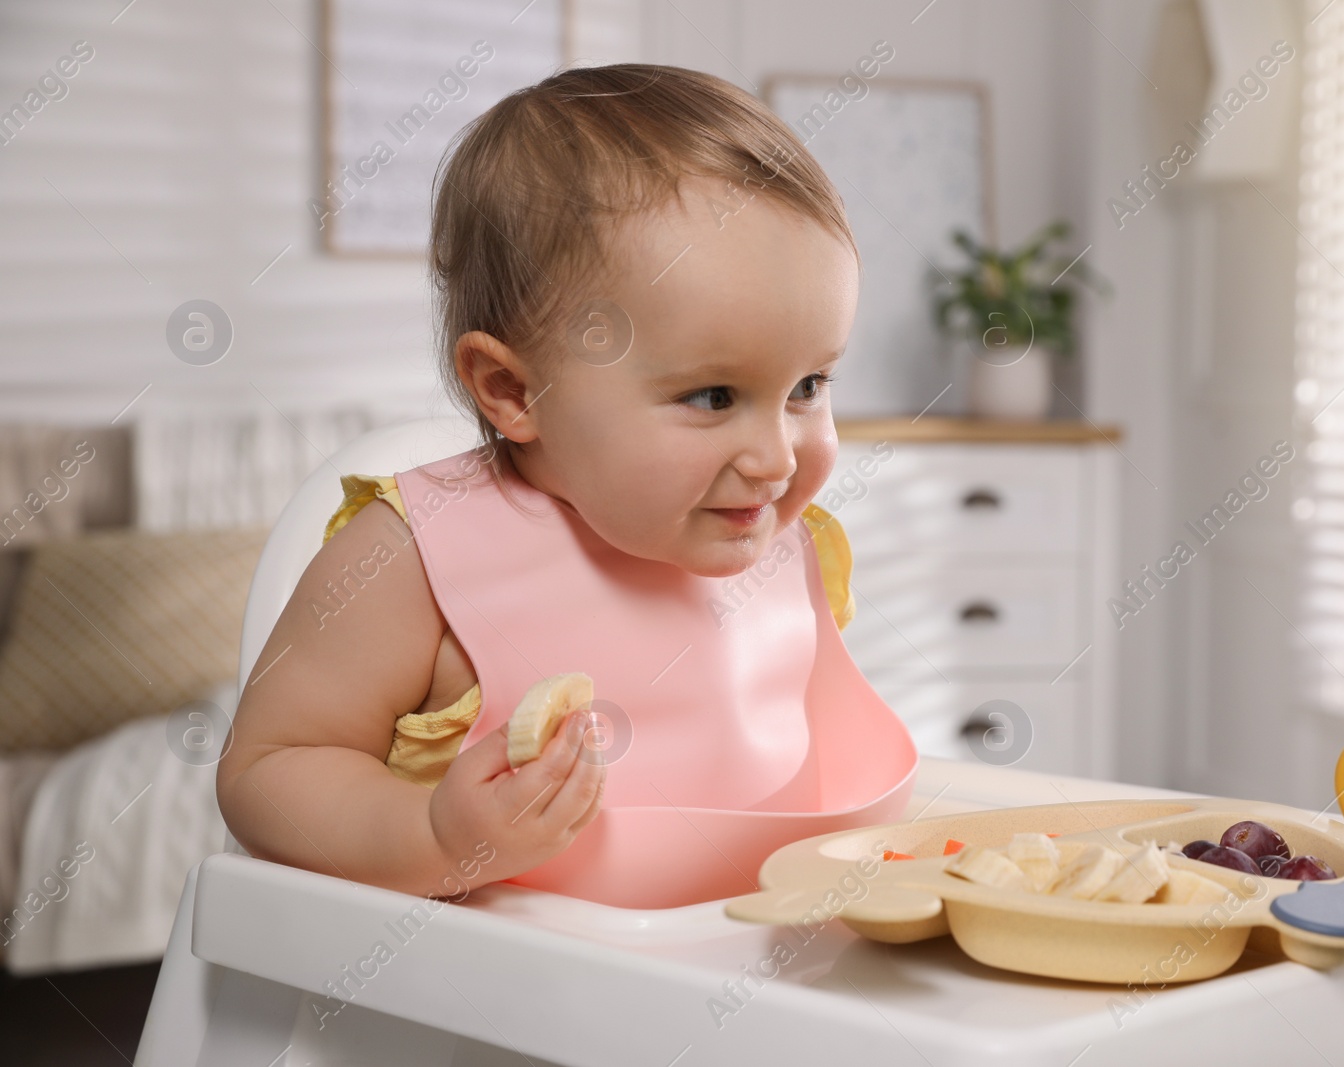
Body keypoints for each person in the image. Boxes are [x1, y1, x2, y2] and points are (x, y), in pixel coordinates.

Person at [216, 64, 916, 908]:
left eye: (809, 385)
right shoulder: (410, 559)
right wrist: (437, 837)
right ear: (514, 391)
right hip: (493, 1019)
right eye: (713, 396)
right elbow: (265, 774)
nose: (775, 458)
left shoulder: (786, 543)